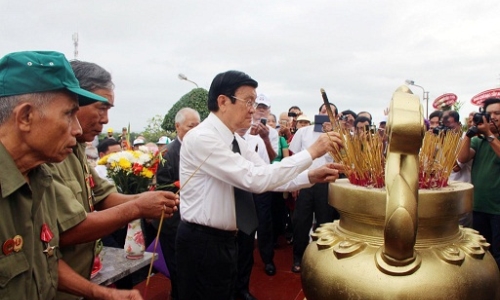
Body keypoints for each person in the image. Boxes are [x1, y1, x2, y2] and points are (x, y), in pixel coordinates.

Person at [176, 70, 343, 299]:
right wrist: (312, 152)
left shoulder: (235, 140)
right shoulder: (202, 138)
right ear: (223, 101)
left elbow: (266, 173)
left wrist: (310, 177)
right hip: (202, 242)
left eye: (254, 102)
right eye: (248, 102)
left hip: (225, 240)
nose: (253, 109)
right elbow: (254, 178)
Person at [0, 50, 144, 299]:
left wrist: (100, 293)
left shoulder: (38, 177)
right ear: (25, 116)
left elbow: (44, 260)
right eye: (68, 114)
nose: (77, 130)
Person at [47, 60, 179, 299]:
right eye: (101, 107)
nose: (106, 120)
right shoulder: (49, 152)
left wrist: (148, 200)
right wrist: (138, 206)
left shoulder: (75, 147)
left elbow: (101, 196)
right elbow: (69, 230)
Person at [153, 107, 200, 300]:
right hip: (174, 222)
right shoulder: (167, 155)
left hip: (196, 222)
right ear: (177, 126)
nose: (195, 131)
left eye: (198, 126)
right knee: (178, 270)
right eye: (191, 127)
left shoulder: (201, 149)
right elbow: (166, 191)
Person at [289, 101, 341, 273]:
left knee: (324, 221)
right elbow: (293, 157)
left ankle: (320, 259)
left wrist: (332, 132)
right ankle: (299, 257)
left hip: (325, 184)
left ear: (335, 117)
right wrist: (294, 182)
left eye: (330, 112)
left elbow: (342, 161)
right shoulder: (304, 132)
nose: (325, 114)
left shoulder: (338, 136)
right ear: (317, 113)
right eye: (323, 111)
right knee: (300, 221)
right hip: (304, 181)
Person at [457, 97, 500, 269]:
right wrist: (469, 133)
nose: (493, 117)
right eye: (489, 114)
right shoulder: (479, 140)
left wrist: (489, 135)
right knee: (483, 253)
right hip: (479, 206)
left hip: (498, 209)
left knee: (498, 255)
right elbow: (462, 158)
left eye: (497, 113)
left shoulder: (488, 138)